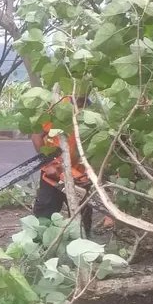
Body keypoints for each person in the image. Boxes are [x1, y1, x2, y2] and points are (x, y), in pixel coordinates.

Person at [30, 96, 92, 235]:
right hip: (54, 171)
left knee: (82, 214)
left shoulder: (92, 113)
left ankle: (82, 244)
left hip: (79, 174)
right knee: (45, 211)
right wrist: (48, 162)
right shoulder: (58, 107)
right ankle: (41, 243)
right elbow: (36, 136)